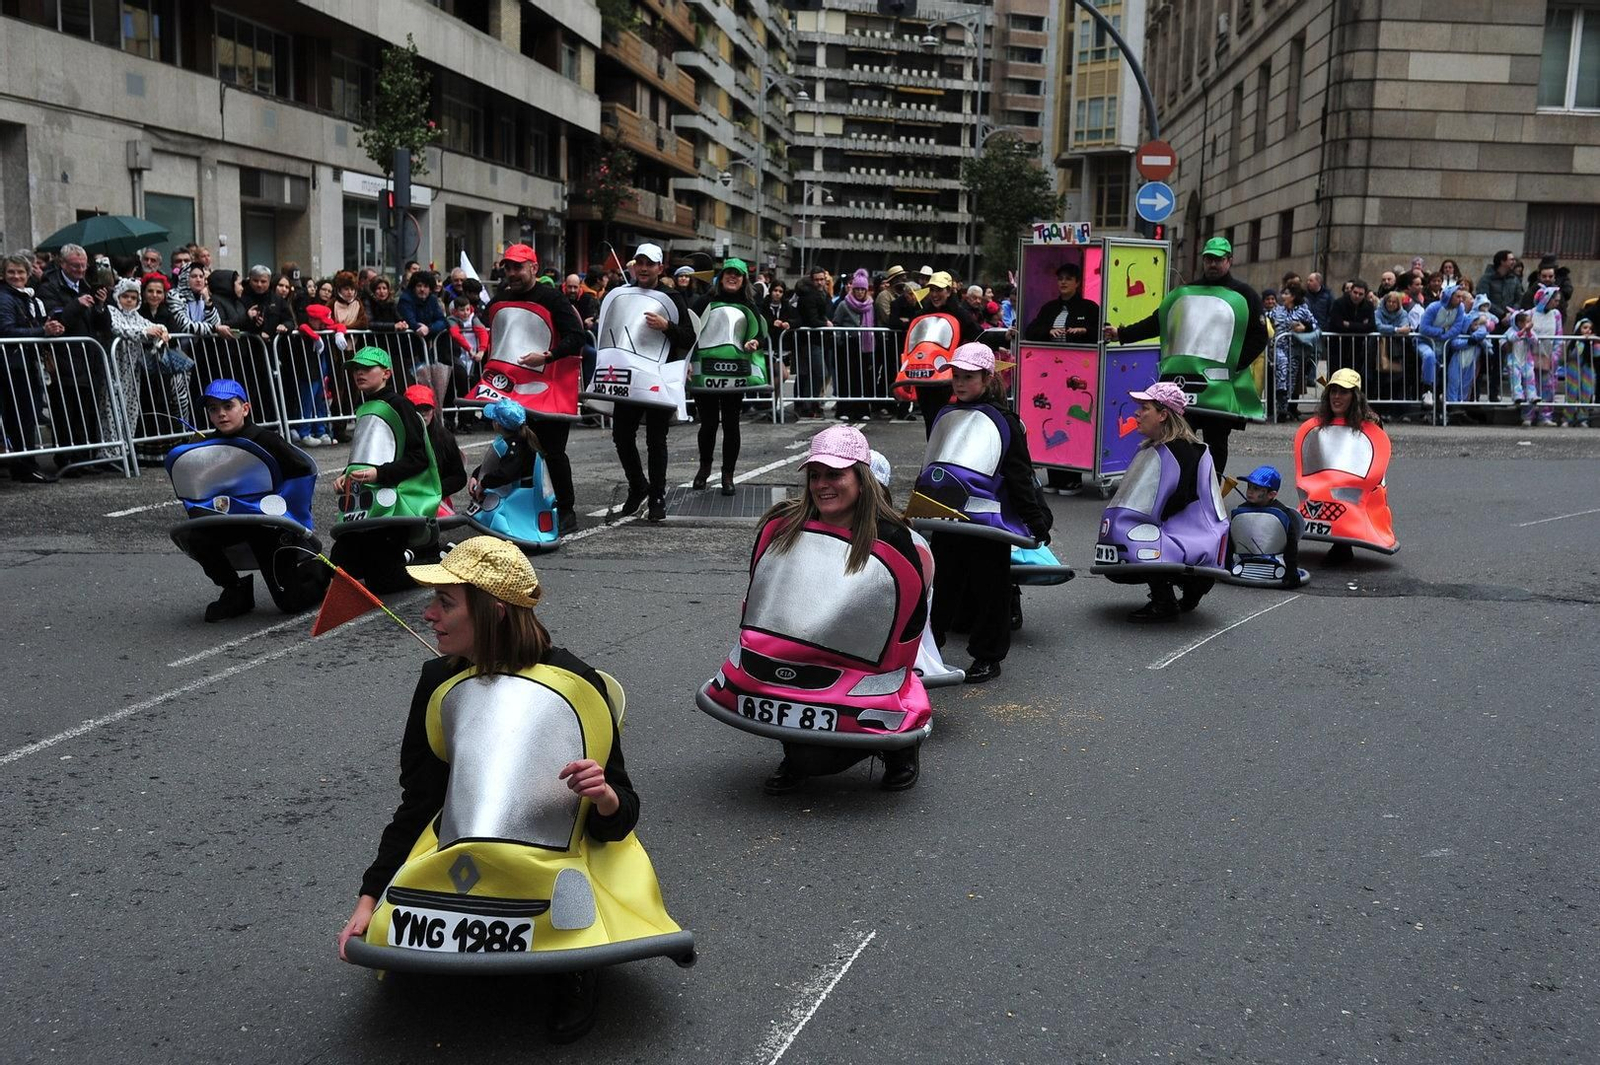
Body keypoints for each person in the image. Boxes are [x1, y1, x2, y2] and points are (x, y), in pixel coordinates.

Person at [337, 536, 645, 1043]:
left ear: (494, 611)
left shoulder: (575, 681)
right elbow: (420, 801)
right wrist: (369, 899)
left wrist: (603, 796)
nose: (429, 615)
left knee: (570, 907)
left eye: (445, 602)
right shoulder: (438, 678)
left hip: (554, 852)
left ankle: (576, 969)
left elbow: (622, 814)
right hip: (468, 841)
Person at [757, 426, 926, 794]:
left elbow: (912, 614)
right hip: (800, 652)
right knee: (802, 748)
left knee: (820, 757)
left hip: (863, 659)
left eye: (835, 474)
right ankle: (797, 749)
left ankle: (899, 745)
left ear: (861, 479)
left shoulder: (891, 535)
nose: (822, 484)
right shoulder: (788, 525)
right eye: (815, 475)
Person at [921, 343, 1052, 685]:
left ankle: (987, 655)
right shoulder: (947, 414)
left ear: (987, 377)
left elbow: (1020, 474)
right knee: (942, 584)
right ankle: (928, 649)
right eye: (956, 376)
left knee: (989, 588)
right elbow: (935, 464)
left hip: (987, 521)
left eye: (968, 377)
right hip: (948, 516)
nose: (960, 383)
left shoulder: (1004, 420)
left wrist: (1035, 519)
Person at [1104, 236, 1267, 475]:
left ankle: (1210, 492)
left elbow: (1259, 335)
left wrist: (1235, 365)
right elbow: (1158, 321)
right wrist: (1122, 333)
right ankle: (1180, 489)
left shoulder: (1245, 295)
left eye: (1218, 259)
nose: (1212, 264)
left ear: (1229, 260)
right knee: (1176, 440)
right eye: (1208, 259)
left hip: (1218, 386)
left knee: (1216, 442)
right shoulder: (1185, 293)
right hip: (1181, 383)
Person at [181, 379, 317, 620]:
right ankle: (234, 590)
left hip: (269, 525)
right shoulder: (208, 446)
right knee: (197, 536)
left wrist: (282, 510)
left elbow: (303, 472)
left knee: (290, 603)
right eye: (213, 409)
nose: (221, 414)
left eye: (228, 406)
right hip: (233, 519)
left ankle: (320, 573)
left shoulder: (267, 440)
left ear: (245, 408)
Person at [485, 243, 588, 531]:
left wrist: (549, 355)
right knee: (515, 448)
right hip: (512, 390)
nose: (512, 272)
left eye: (518, 266)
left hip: (549, 389)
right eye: (508, 267)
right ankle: (522, 508)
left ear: (534, 267)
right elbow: (493, 341)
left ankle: (566, 509)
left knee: (552, 452)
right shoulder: (499, 300)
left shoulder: (553, 299)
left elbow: (577, 337)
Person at [330, 347, 440, 591]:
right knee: (338, 568)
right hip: (365, 502)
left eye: (367, 368)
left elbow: (419, 457)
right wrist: (344, 475)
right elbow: (366, 454)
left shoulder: (400, 405)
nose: (359, 373)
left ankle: (433, 558)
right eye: (356, 369)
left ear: (386, 373)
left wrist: (380, 474)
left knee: (382, 582)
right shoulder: (365, 406)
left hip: (391, 504)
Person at [602, 243, 694, 522]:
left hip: (657, 375)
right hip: (627, 377)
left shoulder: (672, 296)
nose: (643, 268)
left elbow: (689, 337)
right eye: (639, 262)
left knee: (656, 439)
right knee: (621, 435)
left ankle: (657, 495)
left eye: (649, 263)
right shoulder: (620, 294)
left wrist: (667, 327)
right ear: (633, 265)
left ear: (659, 268)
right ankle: (637, 484)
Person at [1124, 382, 1218, 622]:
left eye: (1145, 408)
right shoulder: (1162, 448)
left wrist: (1150, 513)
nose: (1137, 413)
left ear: (1163, 414)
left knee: (1141, 534)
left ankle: (1164, 598)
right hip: (1190, 530)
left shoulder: (1179, 450)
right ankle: (1192, 586)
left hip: (1184, 531)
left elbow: (1181, 496)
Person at [690, 259, 766, 493]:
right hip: (706, 372)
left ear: (744, 280)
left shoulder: (750, 305)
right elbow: (691, 331)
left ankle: (728, 475)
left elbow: (760, 333)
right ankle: (704, 469)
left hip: (736, 374)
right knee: (709, 424)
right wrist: (688, 363)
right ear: (721, 276)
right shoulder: (705, 301)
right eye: (729, 273)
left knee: (732, 424)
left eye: (738, 275)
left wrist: (755, 342)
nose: (732, 277)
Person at [0, 251, 62, 482]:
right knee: (21, 416)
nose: (16, 276)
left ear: (28, 274)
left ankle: (24, 463)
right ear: (4, 274)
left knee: (25, 415)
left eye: (20, 272)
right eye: (11, 272)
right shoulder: (6, 297)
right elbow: (6, 330)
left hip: (22, 363)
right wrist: (42, 332)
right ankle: (24, 465)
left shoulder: (24, 296)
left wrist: (47, 329)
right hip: (13, 366)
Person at [1312, 368, 1382, 565]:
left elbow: (1375, 455)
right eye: (1333, 391)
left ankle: (1343, 544)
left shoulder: (1371, 422)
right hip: (1329, 475)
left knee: (1345, 492)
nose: (1336, 397)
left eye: (1343, 392)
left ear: (1354, 396)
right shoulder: (1320, 421)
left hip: (1357, 477)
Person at [908, 270, 982, 433]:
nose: (935, 294)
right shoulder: (922, 314)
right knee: (930, 421)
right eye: (932, 290)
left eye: (939, 290)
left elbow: (979, 334)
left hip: (950, 376)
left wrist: (1004, 336)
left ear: (949, 291)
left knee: (948, 421)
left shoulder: (960, 314)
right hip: (926, 376)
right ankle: (932, 456)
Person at [1228, 465, 1303, 589]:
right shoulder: (1241, 510)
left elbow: (1291, 545)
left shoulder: (1282, 513)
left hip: (1275, 561)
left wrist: (1291, 571)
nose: (1250, 491)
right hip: (1244, 560)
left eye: (1256, 488)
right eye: (1249, 487)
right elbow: (1231, 539)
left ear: (1271, 494)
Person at [405, 383, 466, 510]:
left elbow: (459, 477)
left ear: (433, 410)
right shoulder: (395, 436)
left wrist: (434, 491)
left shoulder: (445, 438)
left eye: (426, 409)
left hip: (435, 501)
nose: (423, 414)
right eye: (417, 409)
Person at [830, 268, 878, 422]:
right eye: (856, 289)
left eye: (862, 289)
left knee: (863, 378)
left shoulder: (870, 305)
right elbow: (836, 323)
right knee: (846, 378)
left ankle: (862, 409)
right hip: (848, 345)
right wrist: (840, 340)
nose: (859, 292)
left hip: (864, 346)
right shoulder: (844, 304)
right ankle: (844, 409)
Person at [1269, 279, 1318, 418]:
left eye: (1286, 294)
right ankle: (1280, 396)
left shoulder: (1303, 310)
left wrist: (1305, 327)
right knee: (1282, 367)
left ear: (1293, 296)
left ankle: (1282, 409)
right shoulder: (1278, 310)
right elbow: (1266, 317)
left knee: (1290, 379)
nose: (1283, 296)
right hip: (1279, 347)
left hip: (1295, 349)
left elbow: (1315, 324)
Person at [1021, 261, 1100, 342]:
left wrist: (1085, 330)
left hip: (1080, 354)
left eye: (1068, 279)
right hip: (1050, 354)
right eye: (1060, 279)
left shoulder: (1090, 307)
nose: (1063, 282)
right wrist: (1048, 331)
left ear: (1077, 283)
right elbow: (1030, 332)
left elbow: (1102, 334)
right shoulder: (1048, 308)